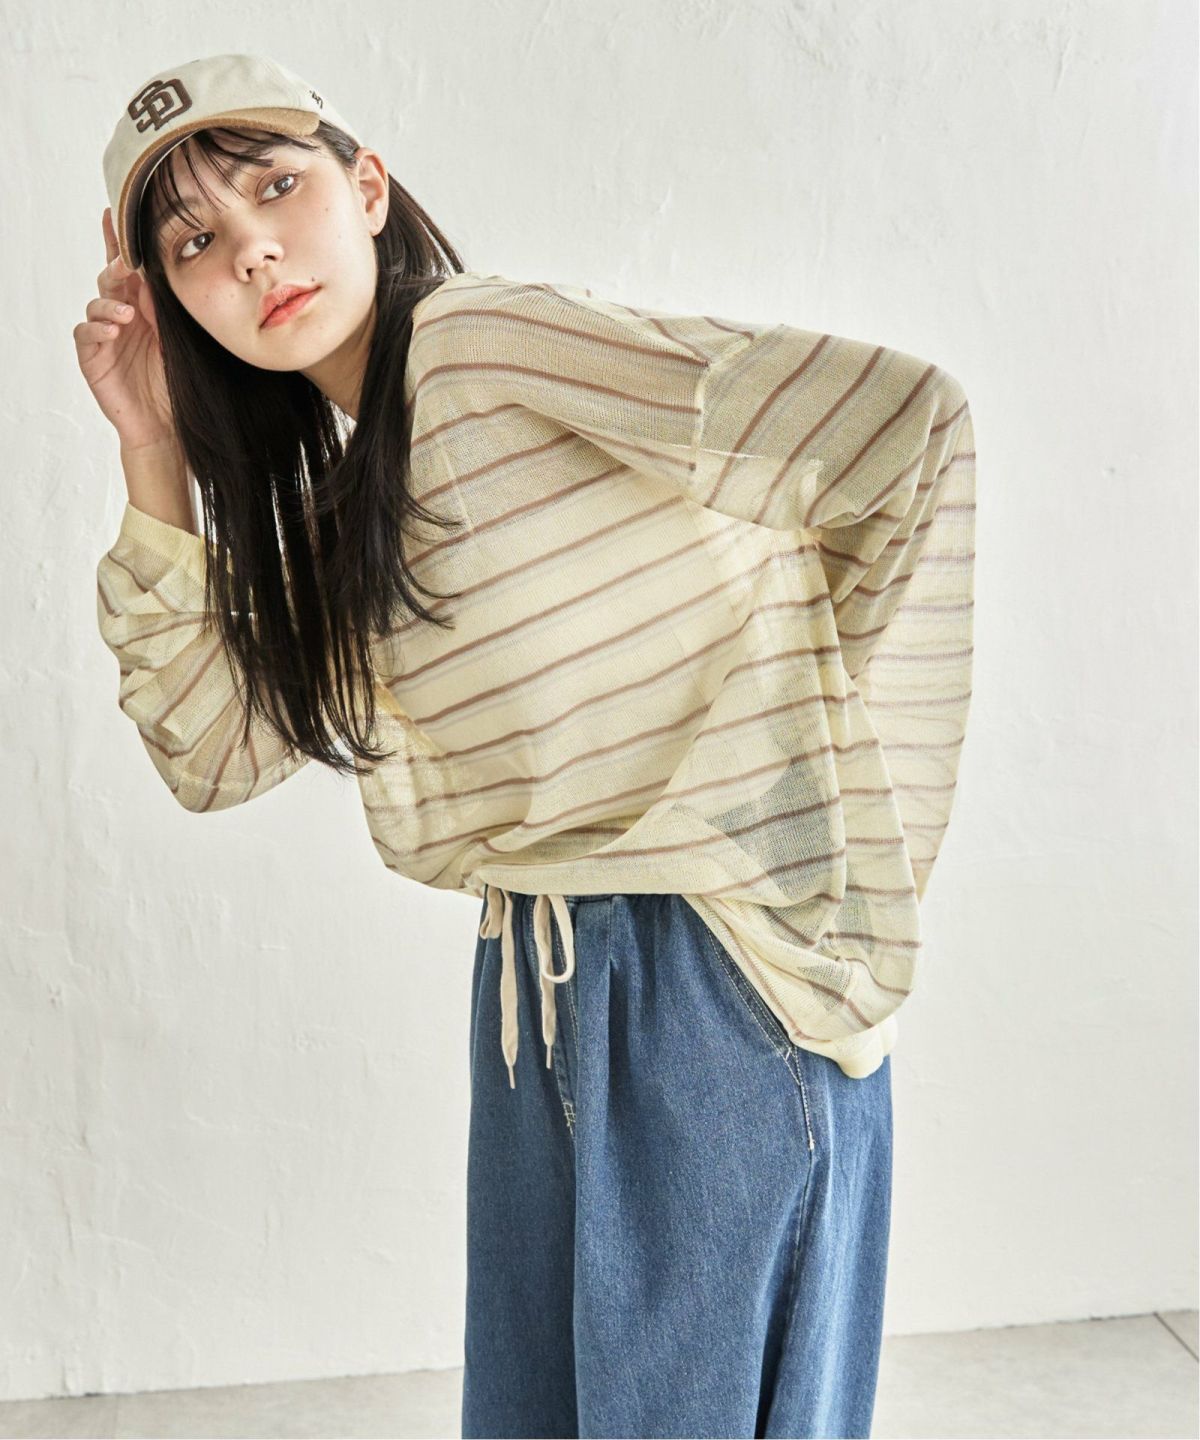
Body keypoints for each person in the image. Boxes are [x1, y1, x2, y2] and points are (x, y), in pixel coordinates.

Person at [74, 52, 976, 1439]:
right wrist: (150, 444)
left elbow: (899, 426)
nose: (251, 249)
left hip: (710, 980)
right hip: (533, 991)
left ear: (367, 188)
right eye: (194, 243)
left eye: (275, 186)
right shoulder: (350, 509)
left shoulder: (484, 345)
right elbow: (211, 754)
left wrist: (794, 764)